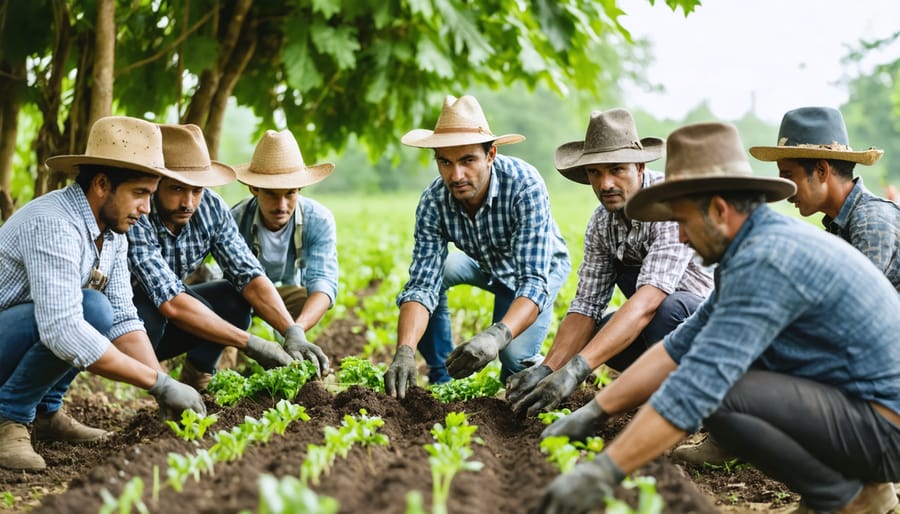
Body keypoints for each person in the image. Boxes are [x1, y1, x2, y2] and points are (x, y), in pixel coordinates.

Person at [537, 122, 900, 514]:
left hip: (887, 429)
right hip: (864, 410)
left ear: (719, 210)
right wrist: (596, 411)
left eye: (682, 221)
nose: (679, 237)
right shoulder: (752, 248)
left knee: (721, 395)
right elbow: (680, 344)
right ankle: (862, 490)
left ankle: (849, 501)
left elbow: (696, 384)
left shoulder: (766, 260)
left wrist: (604, 471)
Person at [0, 117, 206, 471]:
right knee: (90, 310)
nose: (146, 209)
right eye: (139, 194)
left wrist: (164, 383)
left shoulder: (113, 235)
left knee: (103, 310)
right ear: (100, 184)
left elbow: (125, 318)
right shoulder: (54, 223)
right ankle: (9, 418)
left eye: (150, 196)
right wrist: (157, 383)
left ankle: (46, 414)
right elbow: (61, 331)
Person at [507, 109, 713, 417]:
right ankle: (658, 389)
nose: (606, 184)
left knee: (666, 311)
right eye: (596, 173)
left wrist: (577, 369)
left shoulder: (670, 206)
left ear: (640, 167)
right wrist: (549, 369)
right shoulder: (602, 223)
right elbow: (585, 306)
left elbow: (648, 303)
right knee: (599, 332)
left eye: (617, 170)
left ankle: (693, 403)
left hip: (705, 324)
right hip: (657, 325)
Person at [384, 95, 571, 398]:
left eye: (467, 160)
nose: (456, 175)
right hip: (486, 265)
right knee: (435, 275)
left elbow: (534, 283)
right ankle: (441, 375)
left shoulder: (524, 185)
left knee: (512, 360)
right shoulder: (434, 201)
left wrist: (496, 335)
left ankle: (545, 371)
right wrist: (404, 351)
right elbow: (421, 284)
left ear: (490, 154)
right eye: (445, 162)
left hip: (537, 270)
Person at [127, 124, 329, 392]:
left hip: (171, 320)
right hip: (125, 328)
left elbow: (249, 274)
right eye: (177, 189)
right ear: (155, 184)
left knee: (234, 297)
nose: (188, 202)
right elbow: (170, 301)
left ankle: (196, 379)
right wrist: (250, 343)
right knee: (150, 311)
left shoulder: (210, 207)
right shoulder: (138, 213)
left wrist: (292, 331)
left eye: (196, 190)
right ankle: (158, 385)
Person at [749, 106, 899, 291]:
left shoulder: (870, 219)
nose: (786, 191)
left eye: (788, 175)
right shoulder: (839, 227)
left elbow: (852, 300)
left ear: (822, 170)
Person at [231, 130, 338, 342]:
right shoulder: (236, 220)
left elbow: (324, 282)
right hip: (243, 294)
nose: (281, 206)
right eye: (271, 193)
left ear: (300, 189)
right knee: (227, 303)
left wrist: (295, 330)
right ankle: (220, 358)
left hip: (286, 292)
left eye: (290, 193)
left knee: (306, 299)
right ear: (254, 188)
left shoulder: (318, 219)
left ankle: (290, 353)